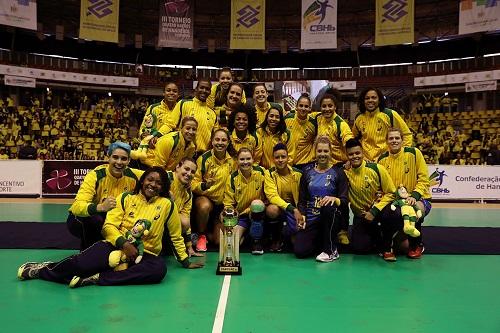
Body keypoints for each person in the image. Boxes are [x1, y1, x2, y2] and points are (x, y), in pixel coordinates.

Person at [18, 167, 204, 288]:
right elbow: (109, 226)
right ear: (142, 181)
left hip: (145, 254)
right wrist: (124, 244)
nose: (153, 185)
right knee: (80, 264)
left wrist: (185, 261)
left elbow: (175, 235)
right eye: (150, 180)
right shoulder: (125, 198)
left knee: (158, 270)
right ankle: (42, 270)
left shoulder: (166, 205)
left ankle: (97, 278)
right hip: (115, 245)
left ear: (163, 187)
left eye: (158, 183)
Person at [67, 141, 144, 250]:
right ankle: (88, 253)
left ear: (129, 161)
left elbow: (158, 175)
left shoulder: (133, 175)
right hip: (83, 220)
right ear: (108, 158)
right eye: (115, 157)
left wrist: (168, 189)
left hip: (113, 219)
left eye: (123, 159)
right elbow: (76, 206)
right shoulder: (95, 175)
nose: (119, 162)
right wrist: (101, 207)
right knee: (96, 220)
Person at [344, 138, 402, 261]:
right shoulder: (345, 173)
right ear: (347, 155)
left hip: (378, 212)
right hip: (361, 217)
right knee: (360, 249)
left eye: (357, 153)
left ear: (362, 152)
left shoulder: (377, 169)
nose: (355, 156)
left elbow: (392, 193)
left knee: (394, 213)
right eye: (351, 154)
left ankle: (387, 246)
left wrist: (374, 211)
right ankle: (376, 235)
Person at [377, 128, 432, 259]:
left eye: (397, 138)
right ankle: (388, 246)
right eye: (391, 138)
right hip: (394, 200)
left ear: (402, 140)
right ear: (386, 141)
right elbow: (380, 184)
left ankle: (415, 246)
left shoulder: (414, 153)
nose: (394, 141)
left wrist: (414, 196)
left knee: (416, 209)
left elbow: (424, 179)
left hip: (419, 198)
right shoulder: (382, 159)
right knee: (386, 214)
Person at [295, 136, 348, 262]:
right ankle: (321, 242)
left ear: (330, 152)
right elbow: (302, 200)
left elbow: (345, 200)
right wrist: (302, 215)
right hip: (312, 218)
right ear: (315, 152)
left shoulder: (338, 172)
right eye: (320, 151)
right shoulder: (307, 172)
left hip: (330, 218)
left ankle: (331, 250)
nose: (322, 154)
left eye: (325, 151)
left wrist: (334, 199)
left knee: (329, 206)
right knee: (300, 251)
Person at [192, 129, 234, 252]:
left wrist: (228, 205)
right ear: (212, 141)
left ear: (228, 142)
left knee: (218, 242)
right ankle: (201, 235)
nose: (220, 143)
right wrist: (204, 185)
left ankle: (206, 234)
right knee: (204, 206)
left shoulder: (233, 160)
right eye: (217, 139)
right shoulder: (203, 159)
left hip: (223, 204)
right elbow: (193, 183)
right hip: (207, 199)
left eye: (223, 140)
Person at [223, 148, 267, 254]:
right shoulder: (232, 178)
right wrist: (231, 218)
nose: (245, 162)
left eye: (248, 159)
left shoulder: (261, 172)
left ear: (253, 159)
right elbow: (228, 204)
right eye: (242, 159)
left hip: (258, 212)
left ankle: (256, 242)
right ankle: (247, 235)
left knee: (256, 205)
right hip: (241, 216)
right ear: (237, 161)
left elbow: (269, 194)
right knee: (231, 245)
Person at [352, 88, 413, 162]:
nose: (370, 100)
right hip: (366, 162)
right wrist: (362, 156)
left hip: (387, 160)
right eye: (367, 98)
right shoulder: (359, 118)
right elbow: (354, 140)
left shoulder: (390, 114)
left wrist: (400, 153)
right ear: (363, 101)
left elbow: (407, 135)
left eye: (374, 97)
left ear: (379, 100)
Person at [264, 143, 304, 252]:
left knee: (296, 244)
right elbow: (272, 196)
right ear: (273, 159)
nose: (280, 160)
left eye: (283, 157)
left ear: (288, 158)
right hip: (280, 209)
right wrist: (292, 209)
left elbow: (303, 197)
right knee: (272, 210)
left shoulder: (299, 174)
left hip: (295, 210)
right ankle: (276, 238)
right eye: (277, 157)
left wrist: (299, 211)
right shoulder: (269, 174)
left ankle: (289, 234)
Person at [167, 158, 203, 258]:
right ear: (178, 167)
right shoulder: (166, 178)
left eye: (192, 172)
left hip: (169, 224)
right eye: (186, 169)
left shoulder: (188, 194)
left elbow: (186, 221)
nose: (189, 173)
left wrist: (189, 247)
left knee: (184, 221)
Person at [176, 79, 216, 154]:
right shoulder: (183, 104)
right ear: (196, 89)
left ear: (210, 92)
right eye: (202, 87)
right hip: (182, 153)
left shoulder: (213, 113)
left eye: (207, 89)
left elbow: (214, 137)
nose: (204, 90)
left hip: (202, 155)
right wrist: (156, 135)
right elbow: (170, 124)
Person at [316, 91, 354, 164]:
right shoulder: (318, 118)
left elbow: (350, 141)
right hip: (322, 162)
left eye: (330, 106)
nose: (327, 109)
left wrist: (351, 159)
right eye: (324, 106)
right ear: (320, 108)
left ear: (335, 107)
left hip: (338, 164)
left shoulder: (341, 124)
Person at [284, 93, 318, 169]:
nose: (303, 108)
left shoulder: (313, 123)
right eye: (301, 105)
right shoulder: (287, 119)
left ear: (310, 108)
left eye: (306, 106)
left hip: (307, 163)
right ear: (296, 107)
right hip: (289, 163)